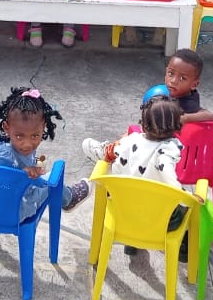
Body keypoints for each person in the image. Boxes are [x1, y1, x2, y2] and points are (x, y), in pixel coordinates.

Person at [67, 95, 193, 237]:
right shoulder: (168, 149)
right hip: (158, 221)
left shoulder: (130, 140)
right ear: (177, 127)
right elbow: (167, 174)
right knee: (188, 208)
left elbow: (113, 151)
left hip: (123, 214)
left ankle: (99, 155)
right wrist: (188, 198)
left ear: (143, 125)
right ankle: (184, 243)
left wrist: (107, 155)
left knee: (114, 167)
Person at [0, 86, 84, 223]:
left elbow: (20, 164)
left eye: (35, 136)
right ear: (7, 128)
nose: (27, 144)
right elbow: (1, 180)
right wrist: (23, 175)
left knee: (41, 165)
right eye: (20, 136)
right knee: (53, 180)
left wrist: (35, 167)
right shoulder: (4, 154)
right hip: (15, 211)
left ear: (43, 127)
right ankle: (70, 199)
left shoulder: (7, 140)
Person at [83, 50, 213, 165]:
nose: (173, 80)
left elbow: (210, 116)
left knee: (134, 134)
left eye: (182, 78)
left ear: (194, 84)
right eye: (171, 73)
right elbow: (207, 114)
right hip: (171, 149)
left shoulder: (185, 105)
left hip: (165, 152)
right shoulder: (190, 96)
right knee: (134, 131)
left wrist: (183, 118)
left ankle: (108, 153)